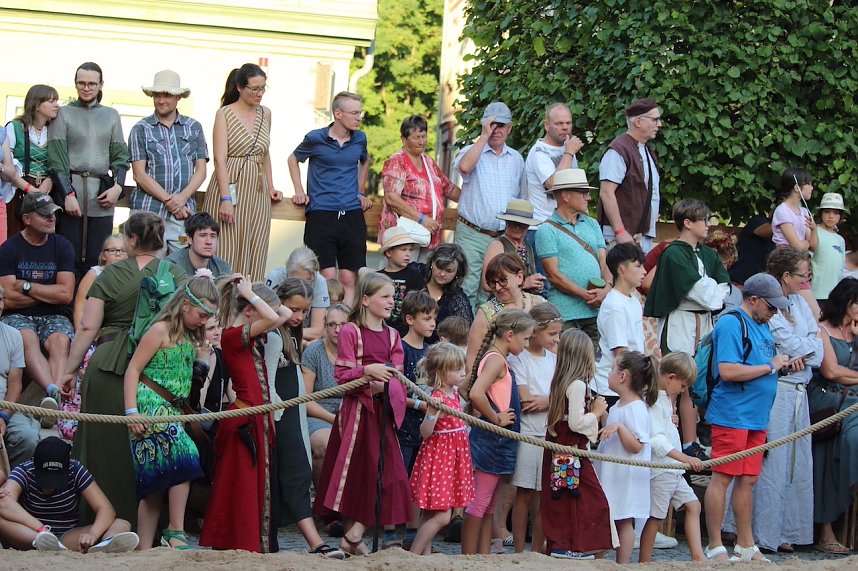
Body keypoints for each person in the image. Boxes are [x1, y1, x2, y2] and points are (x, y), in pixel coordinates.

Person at [60, 211, 188, 527]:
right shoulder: (176, 274)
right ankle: (144, 530)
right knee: (149, 452)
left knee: (100, 450)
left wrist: (68, 370)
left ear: (131, 240)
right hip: (157, 373)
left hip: (107, 366)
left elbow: (88, 327)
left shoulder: (110, 275)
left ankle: (96, 522)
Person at [722, 247, 822, 554]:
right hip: (776, 389)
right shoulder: (765, 308)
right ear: (786, 275)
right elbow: (785, 344)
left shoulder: (801, 305)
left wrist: (804, 350)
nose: (806, 281)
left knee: (794, 465)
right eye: (802, 275)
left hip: (799, 390)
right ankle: (756, 533)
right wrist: (801, 349)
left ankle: (783, 530)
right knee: (769, 462)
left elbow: (816, 347)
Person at [313, 273, 411, 555]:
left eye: (393, 296)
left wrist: (387, 385)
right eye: (385, 296)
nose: (391, 301)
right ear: (366, 300)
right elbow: (342, 376)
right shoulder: (350, 331)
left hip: (382, 415)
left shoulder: (393, 335)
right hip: (358, 414)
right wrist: (367, 372)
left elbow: (399, 376)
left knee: (391, 478)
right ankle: (354, 539)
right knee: (361, 478)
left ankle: (354, 535)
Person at [123, 276, 218, 550]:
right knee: (186, 454)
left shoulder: (191, 336)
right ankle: (175, 530)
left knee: (155, 482)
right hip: (149, 405)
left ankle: (143, 549)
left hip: (175, 409)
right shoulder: (160, 330)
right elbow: (133, 371)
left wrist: (202, 358)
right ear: (185, 304)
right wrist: (131, 412)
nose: (203, 322)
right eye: (201, 315)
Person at [702, 273, 791, 562]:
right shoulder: (731, 323)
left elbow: (763, 363)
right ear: (753, 300)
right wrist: (769, 367)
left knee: (749, 480)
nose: (774, 312)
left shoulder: (763, 325)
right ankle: (715, 544)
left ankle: (745, 543)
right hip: (732, 414)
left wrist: (781, 367)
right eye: (771, 306)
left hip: (756, 416)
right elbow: (728, 370)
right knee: (723, 477)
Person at [200, 279, 291, 553]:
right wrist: (250, 294)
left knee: (252, 485)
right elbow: (276, 315)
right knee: (240, 485)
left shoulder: (247, 334)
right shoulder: (231, 335)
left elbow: (282, 314)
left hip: (256, 418)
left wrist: (253, 292)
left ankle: (251, 544)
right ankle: (238, 543)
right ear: (250, 310)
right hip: (244, 418)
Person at [644, 199, 730, 461]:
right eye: (703, 219)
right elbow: (701, 292)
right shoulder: (673, 253)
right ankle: (669, 438)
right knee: (675, 379)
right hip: (680, 321)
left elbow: (722, 291)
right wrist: (708, 292)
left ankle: (690, 442)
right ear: (687, 223)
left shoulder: (708, 254)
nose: (708, 224)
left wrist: (709, 293)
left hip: (703, 322)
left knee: (695, 381)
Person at [267, 278, 345, 558]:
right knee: (289, 474)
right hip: (280, 413)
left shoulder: (291, 335)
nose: (298, 317)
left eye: (304, 311)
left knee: (296, 473)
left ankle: (313, 543)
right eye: (293, 309)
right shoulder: (273, 333)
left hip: (291, 412)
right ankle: (312, 543)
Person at [461, 308, 533, 555]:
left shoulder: (496, 358)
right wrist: (495, 418)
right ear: (510, 335)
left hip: (497, 442)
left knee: (489, 505)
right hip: (491, 441)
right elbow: (474, 393)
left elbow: (466, 388)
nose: (526, 344)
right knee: (479, 502)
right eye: (525, 339)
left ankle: (482, 556)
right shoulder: (495, 360)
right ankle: (470, 557)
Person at [289, 91, 372, 306]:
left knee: (348, 277)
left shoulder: (360, 138)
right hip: (321, 214)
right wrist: (299, 190)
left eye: (359, 112)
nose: (359, 117)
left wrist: (360, 191)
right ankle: (323, 323)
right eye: (354, 112)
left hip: (351, 214)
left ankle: (345, 324)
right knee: (326, 278)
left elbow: (365, 161)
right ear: (338, 113)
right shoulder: (315, 138)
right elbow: (293, 159)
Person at [48, 62, 130, 278]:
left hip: (101, 193)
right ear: (75, 84)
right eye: (81, 83)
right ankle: (66, 308)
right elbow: (57, 159)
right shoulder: (63, 114)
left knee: (99, 255)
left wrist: (117, 188)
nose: (86, 88)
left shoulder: (111, 115)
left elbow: (121, 157)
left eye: (92, 83)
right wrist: (67, 194)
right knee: (68, 255)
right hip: (71, 192)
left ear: (101, 85)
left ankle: (95, 308)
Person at [203, 63, 282, 281]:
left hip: (257, 189)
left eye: (263, 88)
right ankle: (220, 303)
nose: (260, 94)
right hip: (230, 183)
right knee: (226, 246)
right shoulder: (224, 114)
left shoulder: (266, 114)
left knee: (255, 245)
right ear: (240, 87)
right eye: (254, 89)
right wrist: (226, 198)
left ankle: (250, 303)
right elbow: (220, 159)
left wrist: (271, 186)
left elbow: (265, 154)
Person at [0, 193, 75, 415]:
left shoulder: (62, 246)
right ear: (27, 219)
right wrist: (49, 292)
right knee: (26, 337)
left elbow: (66, 294)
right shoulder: (9, 249)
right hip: (17, 315)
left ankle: (52, 400)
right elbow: (7, 298)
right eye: (44, 214)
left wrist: (26, 286)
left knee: (60, 339)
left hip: (54, 314)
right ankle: (53, 391)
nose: (51, 218)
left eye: (53, 213)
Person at [541, 329, 611, 560]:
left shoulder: (561, 381)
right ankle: (570, 544)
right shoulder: (578, 384)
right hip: (570, 447)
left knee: (565, 493)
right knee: (585, 497)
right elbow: (575, 422)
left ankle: (564, 543)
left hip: (559, 446)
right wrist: (597, 413)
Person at [0, 437, 138, 553]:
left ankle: (103, 545)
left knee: (121, 523)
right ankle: (42, 541)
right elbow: (4, 502)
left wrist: (93, 534)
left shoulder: (75, 470)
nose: (50, 485)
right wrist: (41, 530)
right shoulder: (24, 471)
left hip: (66, 538)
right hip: (29, 535)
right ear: (34, 466)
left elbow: (106, 509)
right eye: (46, 478)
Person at [453, 101, 525, 308]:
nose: (496, 130)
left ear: (509, 128)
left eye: (501, 125)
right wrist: (483, 137)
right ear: (484, 125)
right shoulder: (471, 150)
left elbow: (519, 199)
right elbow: (465, 167)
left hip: (502, 237)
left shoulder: (516, 159)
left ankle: (484, 336)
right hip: (472, 233)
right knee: (466, 288)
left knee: (495, 290)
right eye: (491, 124)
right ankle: (462, 337)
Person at [129, 70, 208, 255]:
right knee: (146, 267)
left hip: (183, 214)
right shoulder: (141, 129)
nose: (161, 100)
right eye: (157, 95)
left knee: (180, 271)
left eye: (167, 95)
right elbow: (139, 175)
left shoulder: (194, 127)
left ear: (178, 97)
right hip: (148, 212)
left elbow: (201, 171)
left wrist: (180, 200)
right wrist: (170, 201)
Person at [806, 277, 858, 555]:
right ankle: (826, 529)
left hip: (853, 396)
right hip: (828, 399)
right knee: (849, 441)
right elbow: (832, 371)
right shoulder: (823, 330)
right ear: (844, 303)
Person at [639, 352, 705, 563]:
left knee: (694, 505)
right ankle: (645, 560)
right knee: (656, 517)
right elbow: (657, 441)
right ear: (671, 378)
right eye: (683, 386)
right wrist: (684, 458)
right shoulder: (654, 400)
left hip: (674, 469)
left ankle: (697, 556)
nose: (683, 390)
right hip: (662, 470)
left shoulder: (665, 400)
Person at [409, 343, 474, 555]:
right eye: (457, 369)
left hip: (452, 457)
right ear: (442, 373)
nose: (463, 372)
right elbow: (425, 432)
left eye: (462, 367)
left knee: (430, 512)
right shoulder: (437, 398)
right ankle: (414, 555)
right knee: (443, 516)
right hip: (440, 459)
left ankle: (424, 556)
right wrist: (432, 413)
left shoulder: (454, 395)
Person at [61, 234, 127, 443]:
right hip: (92, 336)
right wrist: (90, 336)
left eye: (121, 250)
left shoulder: (132, 277)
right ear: (102, 256)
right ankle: (72, 421)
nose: (117, 254)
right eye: (112, 250)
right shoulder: (95, 274)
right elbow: (80, 309)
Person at [535, 168, 611, 347]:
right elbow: (553, 276)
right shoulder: (547, 230)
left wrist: (607, 288)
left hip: (594, 313)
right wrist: (587, 295)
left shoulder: (592, 224)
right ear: (566, 196)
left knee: (592, 368)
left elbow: (604, 261)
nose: (589, 198)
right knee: (567, 367)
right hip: (565, 315)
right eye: (584, 193)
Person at [595, 351, 658, 564]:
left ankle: (622, 563)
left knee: (623, 520)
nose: (609, 373)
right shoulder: (619, 405)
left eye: (613, 369)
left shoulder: (637, 408)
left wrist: (620, 427)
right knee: (610, 517)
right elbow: (609, 432)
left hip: (626, 476)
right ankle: (598, 556)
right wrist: (602, 415)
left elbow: (636, 446)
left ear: (623, 376)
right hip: (613, 472)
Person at [508, 302, 561, 553]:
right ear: (536, 331)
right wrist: (551, 401)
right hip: (528, 434)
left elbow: (561, 396)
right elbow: (527, 401)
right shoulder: (520, 359)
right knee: (525, 493)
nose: (556, 339)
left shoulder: (554, 359)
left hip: (549, 433)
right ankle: (520, 549)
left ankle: (538, 550)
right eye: (552, 334)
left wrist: (549, 401)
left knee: (545, 497)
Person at [378, 115, 460, 259]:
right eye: (416, 137)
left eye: (424, 136)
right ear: (404, 139)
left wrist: (474, 200)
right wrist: (422, 219)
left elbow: (449, 188)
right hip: (404, 237)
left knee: (422, 278)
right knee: (401, 277)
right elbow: (392, 199)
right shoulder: (397, 161)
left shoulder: (428, 162)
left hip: (428, 236)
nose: (422, 142)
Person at [598, 98, 662, 253]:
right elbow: (606, 193)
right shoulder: (618, 150)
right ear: (638, 121)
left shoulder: (646, 149)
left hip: (639, 234)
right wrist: (620, 232)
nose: (659, 124)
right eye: (655, 119)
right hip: (619, 236)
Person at [465, 253, 545, 373]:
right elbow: (472, 362)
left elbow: (553, 346)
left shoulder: (539, 304)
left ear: (519, 277)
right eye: (492, 282)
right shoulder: (486, 313)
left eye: (503, 280)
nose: (497, 288)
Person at [301, 303, 351, 486]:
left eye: (343, 324)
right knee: (324, 443)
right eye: (332, 324)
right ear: (325, 326)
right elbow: (305, 399)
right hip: (320, 413)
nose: (338, 330)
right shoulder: (314, 352)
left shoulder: (359, 352)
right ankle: (322, 503)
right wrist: (334, 419)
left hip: (351, 413)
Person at [594, 243, 647, 408]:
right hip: (614, 389)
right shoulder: (615, 305)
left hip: (630, 383)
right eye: (638, 266)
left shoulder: (632, 300)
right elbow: (620, 353)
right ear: (622, 269)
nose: (644, 271)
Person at [4, 84, 60, 239]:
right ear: (36, 105)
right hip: (18, 191)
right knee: (15, 235)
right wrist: (30, 189)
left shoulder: (55, 130)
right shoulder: (15, 128)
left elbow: (61, 162)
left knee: (42, 237)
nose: (56, 105)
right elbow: (6, 165)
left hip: (47, 191)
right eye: (51, 101)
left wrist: (50, 180)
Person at [0, 284, 38, 469]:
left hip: (4, 406)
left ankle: (11, 487)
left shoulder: (13, 335)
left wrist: (3, 418)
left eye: (0, 300)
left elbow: (15, 386)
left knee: (28, 436)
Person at [772, 167, 819, 317]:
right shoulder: (782, 210)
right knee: (815, 313)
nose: (812, 187)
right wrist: (806, 242)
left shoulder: (805, 212)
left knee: (804, 314)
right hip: (787, 264)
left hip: (799, 264)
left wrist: (814, 230)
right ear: (796, 187)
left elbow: (815, 246)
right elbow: (798, 246)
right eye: (809, 184)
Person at [266, 246, 331, 344]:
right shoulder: (275, 278)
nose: (299, 286)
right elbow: (264, 322)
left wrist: (296, 338)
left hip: (299, 334)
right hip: (276, 333)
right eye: (294, 280)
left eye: (305, 282)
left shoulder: (320, 282)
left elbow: (317, 331)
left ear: (313, 277)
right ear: (287, 272)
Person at [482, 199, 545, 295]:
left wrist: (536, 285)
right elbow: (487, 285)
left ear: (528, 226)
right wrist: (524, 284)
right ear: (506, 222)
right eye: (513, 223)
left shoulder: (528, 246)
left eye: (522, 224)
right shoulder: (497, 246)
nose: (517, 227)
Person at [420, 243, 473, 343]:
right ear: (432, 263)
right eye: (439, 267)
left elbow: (465, 333)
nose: (442, 274)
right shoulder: (415, 274)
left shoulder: (458, 300)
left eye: (449, 271)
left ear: (457, 272)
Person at [377, 227, 425, 337]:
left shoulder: (415, 276)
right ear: (389, 252)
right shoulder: (378, 277)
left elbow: (422, 304)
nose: (408, 254)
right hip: (380, 330)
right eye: (403, 250)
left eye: (410, 250)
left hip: (405, 334)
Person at [166, 212, 232, 278]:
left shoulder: (222, 268)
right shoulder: (172, 266)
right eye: (203, 236)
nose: (209, 242)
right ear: (189, 239)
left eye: (213, 236)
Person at [811, 193, 847, 304]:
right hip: (815, 293)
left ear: (840, 216)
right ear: (821, 213)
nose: (831, 216)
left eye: (836, 213)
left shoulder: (840, 240)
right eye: (827, 211)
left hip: (834, 295)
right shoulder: (814, 232)